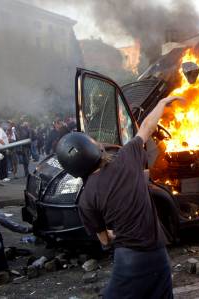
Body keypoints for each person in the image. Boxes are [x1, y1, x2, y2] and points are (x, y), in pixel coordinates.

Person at [65, 96, 182, 299]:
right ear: (96, 149)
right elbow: (146, 126)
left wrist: (112, 235)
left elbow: (104, 239)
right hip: (157, 253)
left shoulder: (86, 200)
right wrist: (161, 103)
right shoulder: (127, 158)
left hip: (129, 259)